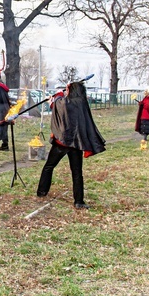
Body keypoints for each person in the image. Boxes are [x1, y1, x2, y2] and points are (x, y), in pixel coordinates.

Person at [36, 80, 106, 208]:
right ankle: (78, 201)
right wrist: (56, 99)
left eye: (68, 90)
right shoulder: (82, 103)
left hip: (63, 142)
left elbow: (58, 106)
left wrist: (55, 98)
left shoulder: (67, 102)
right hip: (76, 143)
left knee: (49, 166)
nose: (66, 92)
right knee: (77, 172)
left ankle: (42, 191)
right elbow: (59, 106)